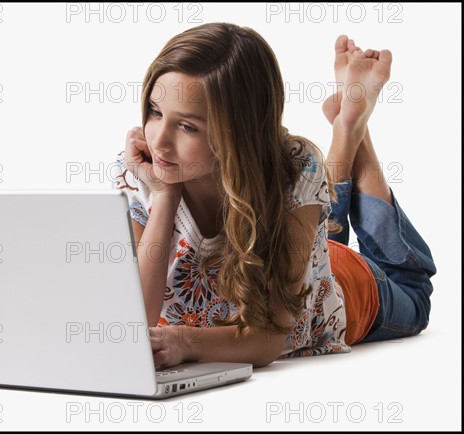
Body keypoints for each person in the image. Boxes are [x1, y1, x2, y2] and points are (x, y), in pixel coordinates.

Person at [110, 23, 437, 369]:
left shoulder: (294, 171)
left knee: (412, 291)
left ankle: (354, 129)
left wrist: (183, 341)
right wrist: (164, 198)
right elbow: (137, 321)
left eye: (188, 126)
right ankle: (347, 126)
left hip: (334, 288)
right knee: (318, 223)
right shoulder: (146, 169)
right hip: (299, 251)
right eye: (155, 112)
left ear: (238, 131)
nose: (159, 140)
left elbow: (266, 338)